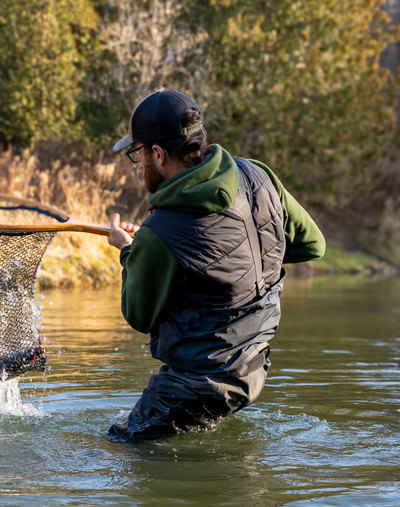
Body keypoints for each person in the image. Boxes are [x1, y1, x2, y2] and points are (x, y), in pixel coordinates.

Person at [107, 90, 326, 441]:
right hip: (252, 367)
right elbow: (312, 244)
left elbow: (138, 316)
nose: (139, 163)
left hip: (198, 384)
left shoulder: (158, 233)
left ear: (158, 154)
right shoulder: (257, 176)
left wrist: (129, 251)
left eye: (138, 152)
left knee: (115, 448)